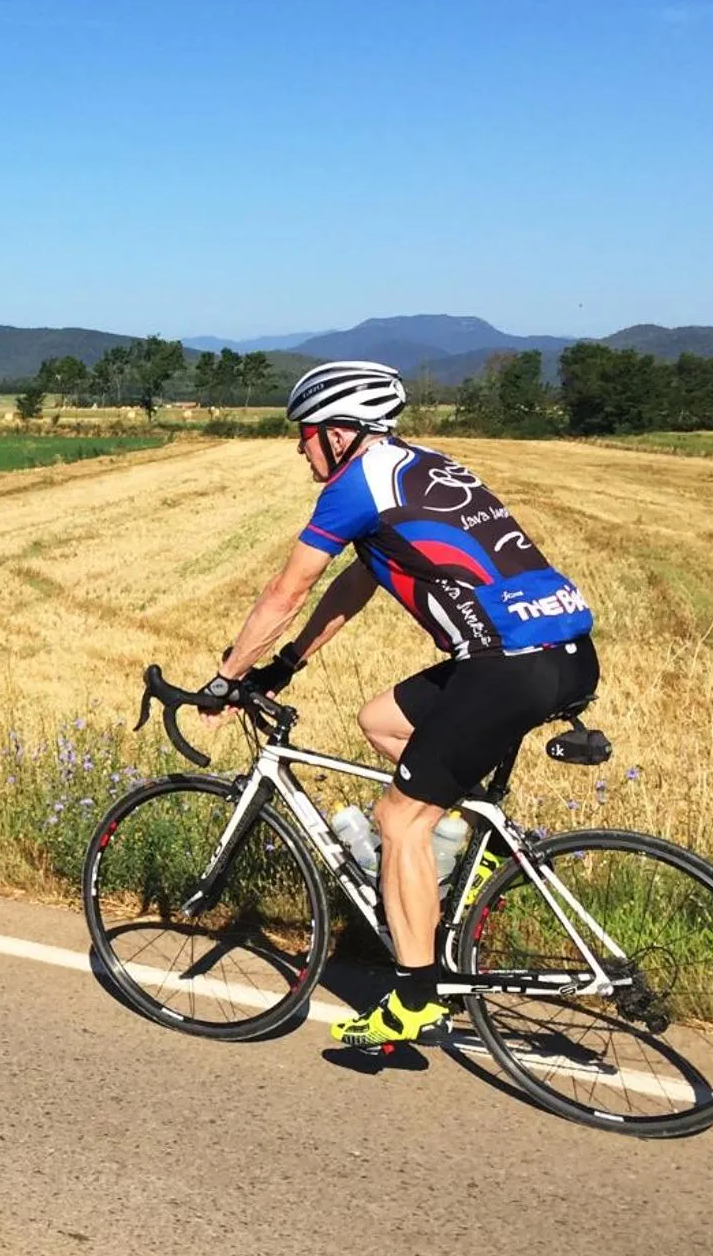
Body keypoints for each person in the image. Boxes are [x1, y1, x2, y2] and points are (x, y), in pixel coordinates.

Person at [202, 360, 597, 1047]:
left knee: (398, 819)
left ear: (339, 433)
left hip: (506, 667)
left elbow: (286, 592)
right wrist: (286, 665)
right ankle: (473, 857)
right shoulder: (421, 465)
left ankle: (414, 998)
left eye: (306, 433)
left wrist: (225, 678)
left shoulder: (354, 486)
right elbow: (360, 581)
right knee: (381, 721)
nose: (300, 448)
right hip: (566, 652)